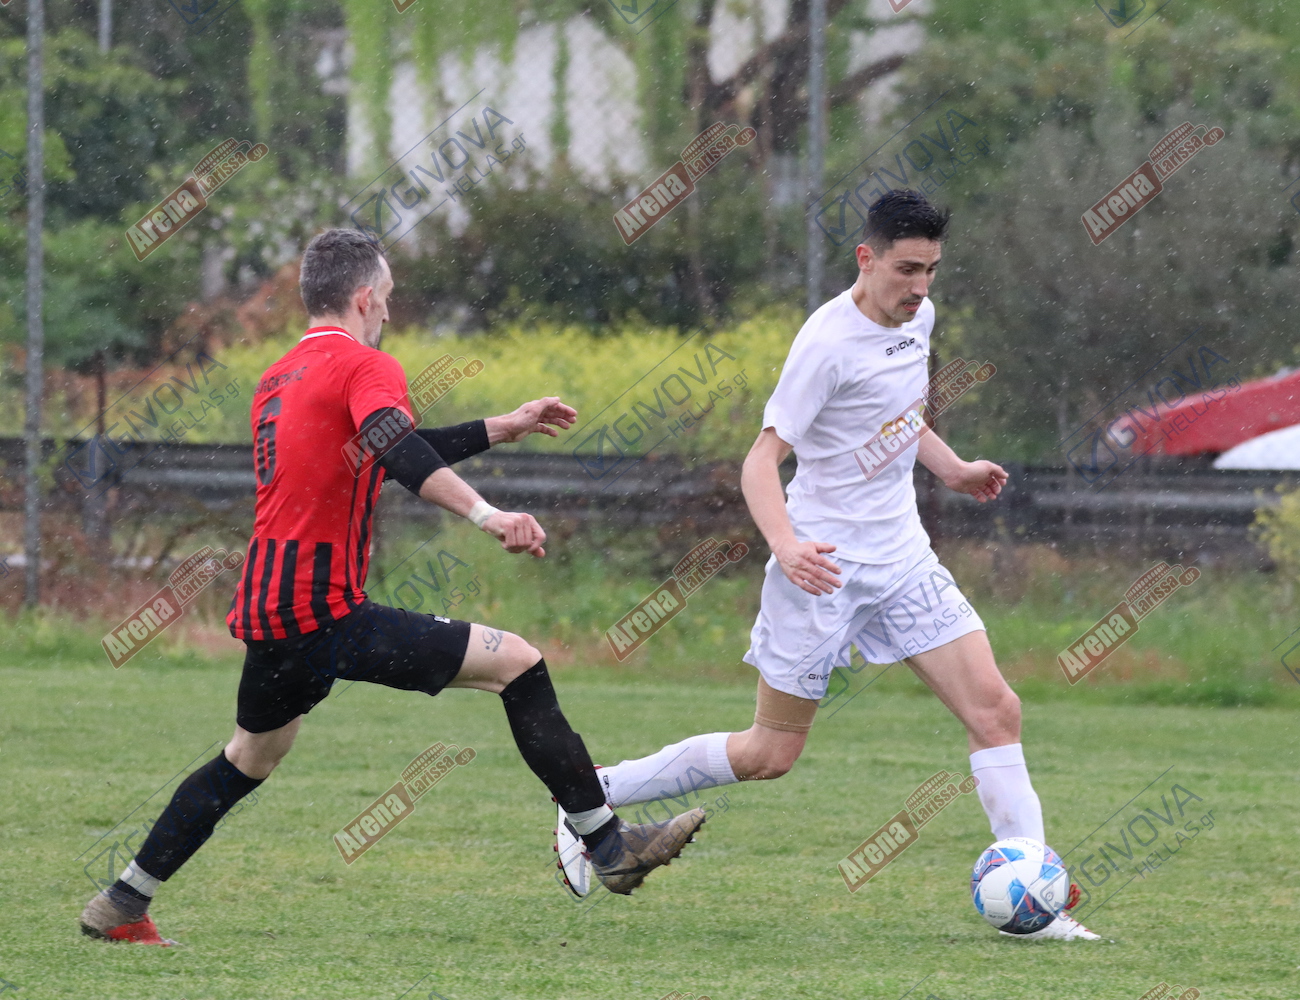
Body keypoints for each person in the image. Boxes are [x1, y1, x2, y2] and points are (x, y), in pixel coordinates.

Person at [80, 228, 705, 947]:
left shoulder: (279, 377)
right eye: (387, 299)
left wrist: (502, 427)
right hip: (325, 610)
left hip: (268, 608)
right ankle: (610, 847)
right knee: (520, 665)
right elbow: (396, 451)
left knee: (249, 757)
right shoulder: (366, 364)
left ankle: (123, 901)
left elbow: (380, 447)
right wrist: (489, 515)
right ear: (363, 297)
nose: (388, 313)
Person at [554, 190, 1097, 941]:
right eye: (906, 270)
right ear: (865, 258)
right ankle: (591, 794)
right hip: (823, 566)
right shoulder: (825, 344)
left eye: (931, 271)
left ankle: (1033, 901)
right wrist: (786, 546)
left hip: (902, 559)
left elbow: (900, 417)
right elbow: (760, 461)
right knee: (770, 753)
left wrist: (952, 468)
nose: (920, 287)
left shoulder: (919, 319)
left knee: (996, 710)